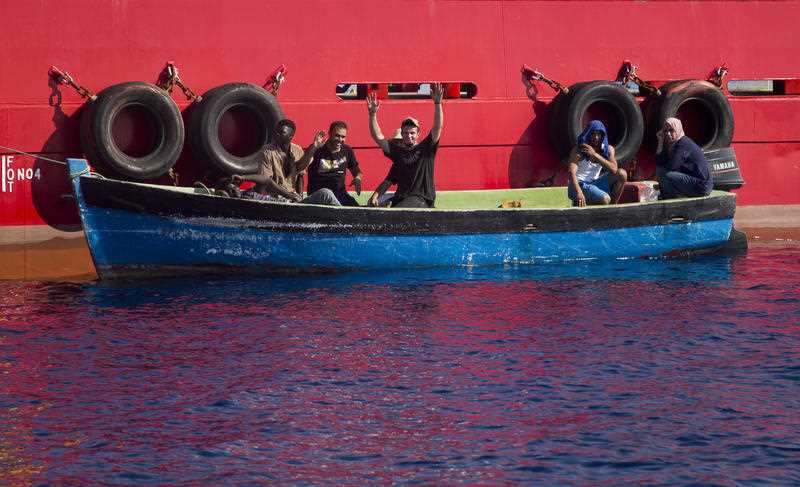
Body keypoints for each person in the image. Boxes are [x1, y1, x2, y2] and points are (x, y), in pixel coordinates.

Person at [366, 83, 444, 208]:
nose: (409, 135)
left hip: (421, 200)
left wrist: (437, 104)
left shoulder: (426, 149)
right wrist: (372, 115)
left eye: (412, 133)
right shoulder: (398, 154)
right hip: (400, 198)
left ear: (418, 133)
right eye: (406, 133)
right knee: (373, 205)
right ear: (401, 134)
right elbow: (378, 137)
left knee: (393, 209)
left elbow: (437, 128)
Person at [234, 119, 341, 206]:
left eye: (282, 133)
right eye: (276, 132)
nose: (277, 134)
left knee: (326, 193)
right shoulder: (267, 151)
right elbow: (266, 182)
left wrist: (314, 146)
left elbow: (300, 174)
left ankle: (346, 217)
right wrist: (288, 195)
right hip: (273, 199)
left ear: (291, 136)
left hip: (292, 199)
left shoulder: (296, 150)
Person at [567, 120, 627, 207]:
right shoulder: (578, 150)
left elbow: (614, 169)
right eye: (593, 134)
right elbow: (571, 173)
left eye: (599, 134)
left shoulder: (608, 150)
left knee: (622, 174)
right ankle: (578, 202)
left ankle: (613, 208)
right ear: (588, 134)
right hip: (578, 185)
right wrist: (579, 192)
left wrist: (595, 155)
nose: (596, 137)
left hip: (594, 184)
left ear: (603, 136)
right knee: (605, 199)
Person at [306, 120, 363, 206]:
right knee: (327, 193)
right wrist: (314, 146)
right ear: (330, 134)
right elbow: (303, 165)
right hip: (320, 196)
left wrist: (358, 178)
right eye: (337, 136)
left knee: (359, 212)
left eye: (343, 137)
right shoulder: (317, 149)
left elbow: (357, 171)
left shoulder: (347, 150)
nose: (340, 139)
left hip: (340, 195)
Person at [655, 117, 713, 199]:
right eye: (665, 131)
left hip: (702, 186)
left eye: (671, 130)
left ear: (678, 129)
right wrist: (660, 141)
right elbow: (659, 161)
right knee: (661, 171)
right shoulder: (672, 144)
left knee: (664, 173)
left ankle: (670, 199)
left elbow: (672, 166)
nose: (668, 134)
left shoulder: (683, 144)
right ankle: (671, 196)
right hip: (693, 182)